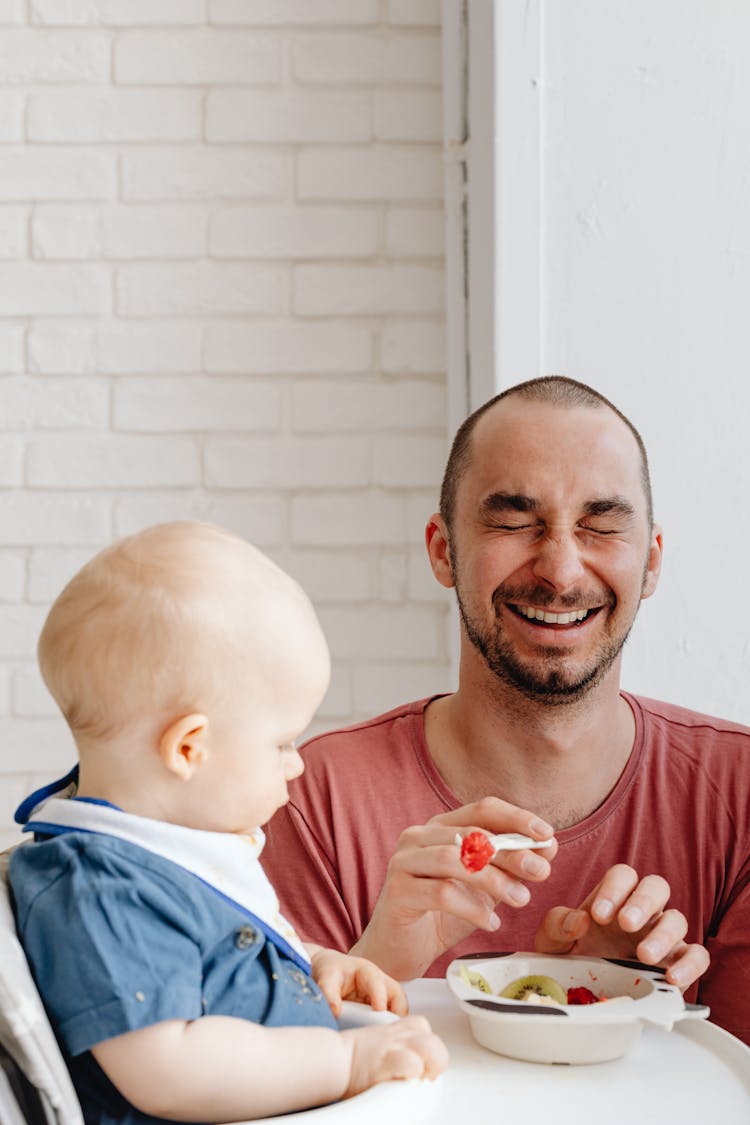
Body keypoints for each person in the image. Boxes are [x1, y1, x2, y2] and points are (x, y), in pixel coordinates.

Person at [263, 376, 750, 1046]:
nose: (560, 569)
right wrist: (375, 965)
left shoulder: (740, 794)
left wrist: (605, 1005)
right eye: (514, 521)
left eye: (601, 523)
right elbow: (262, 1087)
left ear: (652, 561)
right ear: (442, 550)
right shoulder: (311, 799)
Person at [9, 522, 448, 1124]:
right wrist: (344, 1063)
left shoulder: (170, 856)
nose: (298, 762)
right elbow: (170, 1068)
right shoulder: (102, 888)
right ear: (190, 749)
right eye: (282, 743)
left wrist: (314, 961)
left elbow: (220, 970)